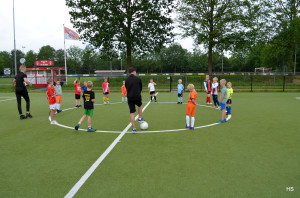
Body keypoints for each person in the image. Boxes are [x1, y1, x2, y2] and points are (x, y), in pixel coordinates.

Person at [125, 67, 146, 133]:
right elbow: (141, 87)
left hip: (129, 97)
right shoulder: (138, 79)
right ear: (134, 72)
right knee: (140, 105)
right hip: (137, 96)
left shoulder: (126, 80)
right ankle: (140, 118)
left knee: (132, 112)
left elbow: (126, 87)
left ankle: (134, 129)